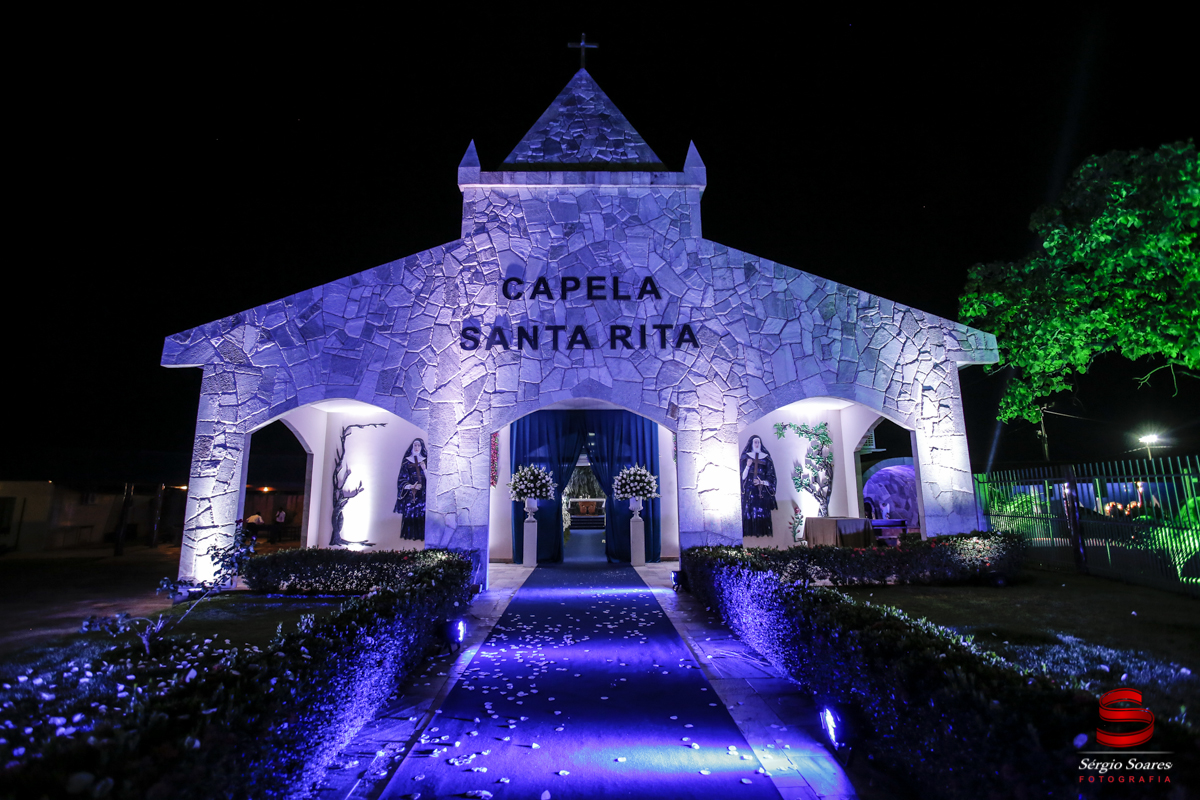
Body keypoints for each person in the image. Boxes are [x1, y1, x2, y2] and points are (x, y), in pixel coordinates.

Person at [740, 436, 777, 538]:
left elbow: (772, 478)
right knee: (749, 514)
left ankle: (763, 537)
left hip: (762, 493)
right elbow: (742, 477)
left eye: (758, 442)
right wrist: (747, 466)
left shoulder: (766, 458)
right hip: (749, 492)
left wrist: (763, 482)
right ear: (751, 444)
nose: (757, 444)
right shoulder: (745, 458)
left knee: (762, 515)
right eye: (755, 442)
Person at [395, 438, 428, 540]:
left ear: (422, 447)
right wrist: (410, 486)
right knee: (411, 518)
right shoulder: (407, 461)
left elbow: (434, 479)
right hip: (411, 496)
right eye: (415, 445)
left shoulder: (426, 460)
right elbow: (401, 479)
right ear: (412, 446)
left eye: (419, 445)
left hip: (423, 496)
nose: (417, 447)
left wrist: (424, 469)